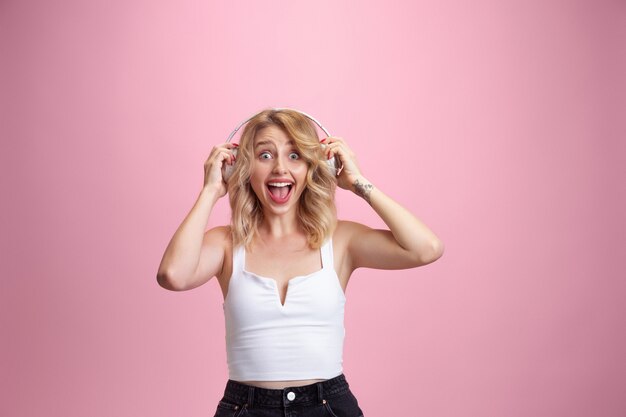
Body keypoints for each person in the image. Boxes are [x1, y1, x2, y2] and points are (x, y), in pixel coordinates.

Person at [156, 108, 444, 417]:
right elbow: (173, 275)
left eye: (295, 156)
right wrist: (211, 190)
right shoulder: (225, 243)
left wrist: (358, 182)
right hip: (245, 408)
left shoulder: (341, 240)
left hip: (328, 406)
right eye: (265, 155)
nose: (280, 168)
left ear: (312, 166)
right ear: (242, 166)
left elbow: (426, 248)